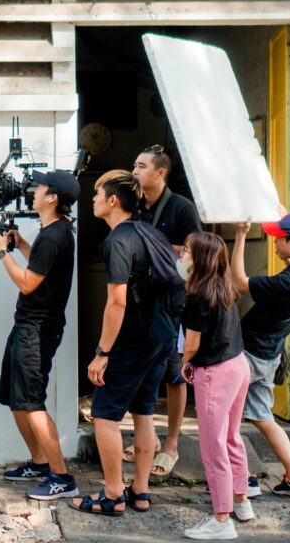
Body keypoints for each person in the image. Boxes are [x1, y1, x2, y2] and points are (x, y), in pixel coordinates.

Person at [70, 170, 174, 516]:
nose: (93, 199)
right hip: (161, 336)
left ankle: (113, 494)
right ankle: (140, 492)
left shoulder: (116, 241)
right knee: (144, 412)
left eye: (97, 194)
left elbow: (117, 302)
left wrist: (102, 353)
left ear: (113, 201)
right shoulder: (152, 233)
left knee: (104, 413)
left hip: (131, 340)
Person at [0, 170, 81, 501]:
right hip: (27, 324)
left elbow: (28, 282)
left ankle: (61, 477)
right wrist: (22, 244)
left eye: (39, 186)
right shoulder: (51, 232)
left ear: (52, 197)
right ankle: (40, 464)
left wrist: (2, 252)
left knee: (31, 402)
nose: (32, 190)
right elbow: (40, 268)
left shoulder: (56, 235)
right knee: (17, 399)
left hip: (37, 330)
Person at [232, 211, 290, 499]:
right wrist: (280, 211)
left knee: (225, 416)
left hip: (249, 354)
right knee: (262, 416)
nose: (273, 243)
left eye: (278, 239)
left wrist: (240, 235)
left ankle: (244, 480)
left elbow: (239, 282)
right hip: (269, 354)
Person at [128, 145, 202, 477]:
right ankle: (148, 437)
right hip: (139, 298)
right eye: (134, 165)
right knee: (140, 367)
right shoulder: (133, 205)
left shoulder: (181, 208)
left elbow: (196, 252)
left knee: (174, 372)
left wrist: (156, 245)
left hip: (173, 301)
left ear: (161, 173)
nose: (135, 171)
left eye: (141, 166)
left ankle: (171, 442)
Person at [178, 232, 253, 540]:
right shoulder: (223, 288)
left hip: (215, 373)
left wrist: (184, 362)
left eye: (186, 250)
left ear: (200, 258)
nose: (181, 255)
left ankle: (222, 520)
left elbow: (192, 344)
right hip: (238, 366)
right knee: (232, 437)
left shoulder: (197, 295)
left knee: (213, 447)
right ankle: (241, 501)